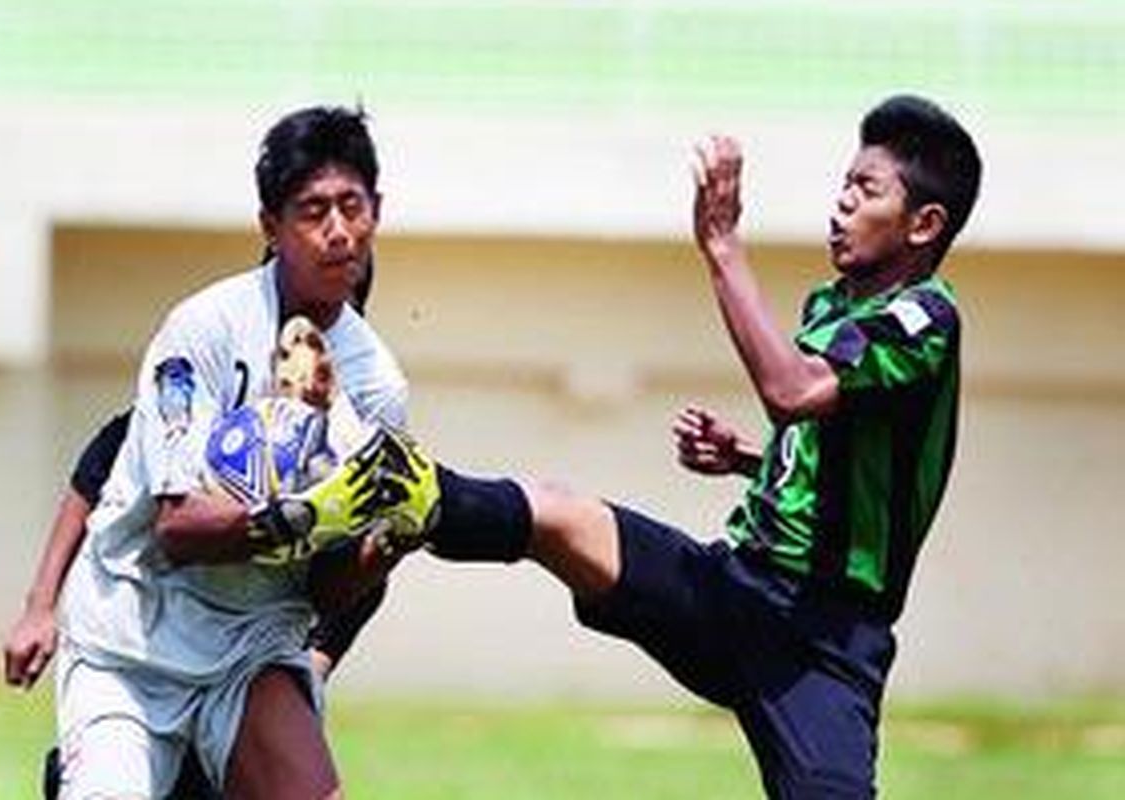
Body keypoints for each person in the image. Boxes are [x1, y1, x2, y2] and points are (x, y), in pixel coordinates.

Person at [377, 94, 982, 798]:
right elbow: (834, 451)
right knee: (558, 516)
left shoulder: (925, 318)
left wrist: (723, 247)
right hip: (735, 591)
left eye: (865, 189)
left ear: (925, 224)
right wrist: (752, 460)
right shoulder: (832, 304)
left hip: (825, 643)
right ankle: (396, 491)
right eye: (844, 182)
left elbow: (791, 392)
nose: (840, 202)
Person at [50, 104, 414, 800]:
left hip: (253, 646)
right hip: (131, 639)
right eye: (312, 211)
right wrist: (310, 514)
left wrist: (392, 538)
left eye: (351, 206)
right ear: (270, 227)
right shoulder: (204, 330)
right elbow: (178, 529)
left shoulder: (378, 390)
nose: (337, 231)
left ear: (377, 211)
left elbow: (326, 588)